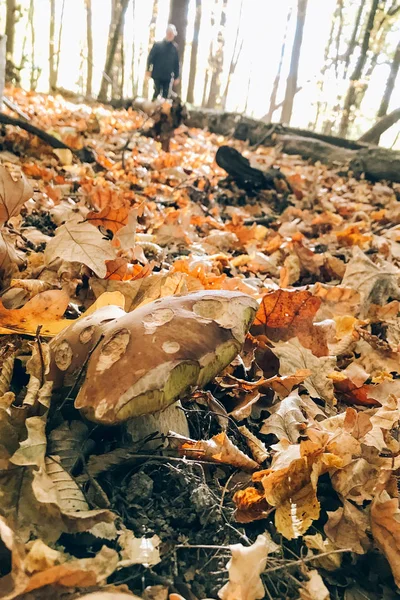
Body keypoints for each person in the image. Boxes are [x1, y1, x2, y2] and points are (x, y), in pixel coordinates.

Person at [146, 24, 180, 100]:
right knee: (156, 92)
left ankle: (163, 111)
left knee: (165, 95)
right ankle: (152, 109)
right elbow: (150, 58)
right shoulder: (158, 45)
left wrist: (176, 76)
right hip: (157, 75)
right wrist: (148, 70)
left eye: (172, 34)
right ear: (166, 33)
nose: (170, 35)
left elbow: (176, 63)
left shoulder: (174, 48)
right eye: (169, 33)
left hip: (168, 76)